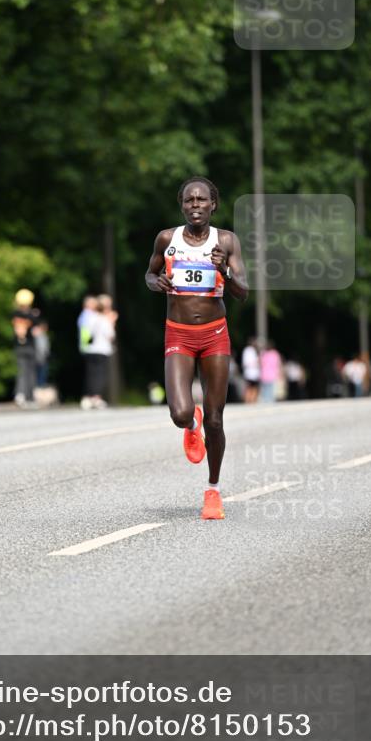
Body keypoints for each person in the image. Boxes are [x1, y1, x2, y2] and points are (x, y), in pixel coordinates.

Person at [145, 176, 248, 520]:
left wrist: (224, 270)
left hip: (215, 333)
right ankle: (192, 425)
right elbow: (149, 273)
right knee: (179, 413)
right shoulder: (166, 239)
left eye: (202, 200)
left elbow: (242, 291)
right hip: (178, 334)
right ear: (182, 205)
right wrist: (154, 282)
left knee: (216, 421)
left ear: (213, 204)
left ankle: (213, 491)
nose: (195, 206)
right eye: (189, 201)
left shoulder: (226, 241)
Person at [84, 295, 117, 409]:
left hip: (90, 349)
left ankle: (89, 397)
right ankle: (96, 397)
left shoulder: (91, 317)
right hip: (102, 349)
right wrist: (112, 323)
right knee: (100, 375)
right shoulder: (105, 319)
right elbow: (110, 336)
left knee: (91, 374)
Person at [11, 288, 38, 407]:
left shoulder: (15, 314)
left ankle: (20, 394)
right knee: (29, 372)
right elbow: (37, 330)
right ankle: (29, 397)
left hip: (19, 346)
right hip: (30, 346)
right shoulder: (33, 316)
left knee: (22, 371)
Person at [78, 295, 99, 409]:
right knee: (92, 374)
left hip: (87, 347)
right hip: (90, 347)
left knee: (90, 374)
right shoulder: (88, 315)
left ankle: (89, 397)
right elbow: (88, 331)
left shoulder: (84, 315)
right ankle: (89, 397)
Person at [241, 337, 260, 403]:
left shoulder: (254, 350)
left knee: (253, 387)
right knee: (249, 387)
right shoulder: (248, 350)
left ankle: (252, 400)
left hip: (254, 372)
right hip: (250, 372)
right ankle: (248, 400)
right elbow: (246, 362)